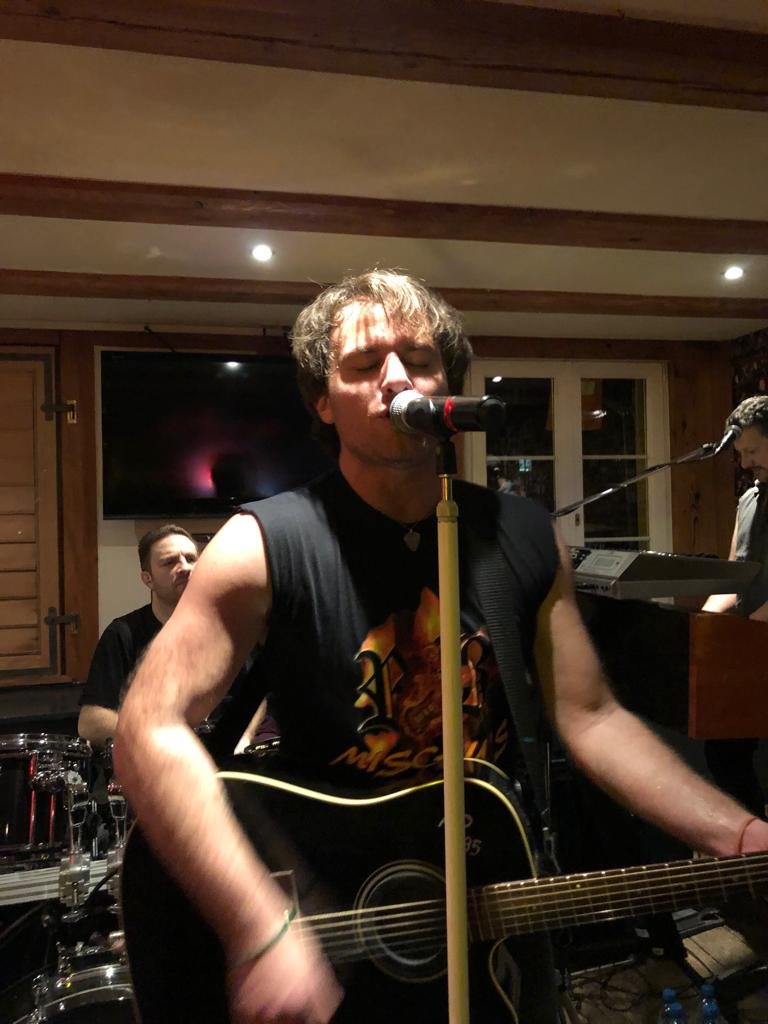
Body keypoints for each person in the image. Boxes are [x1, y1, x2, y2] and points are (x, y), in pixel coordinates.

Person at [115, 271, 768, 1024]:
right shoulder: (260, 545)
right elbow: (148, 730)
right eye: (365, 365)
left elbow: (591, 717)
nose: (397, 379)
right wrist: (258, 924)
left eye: (419, 360)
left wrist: (738, 832)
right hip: (336, 921)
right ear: (323, 401)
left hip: (489, 899)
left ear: (448, 385)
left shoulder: (522, 535)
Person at [701, 395, 768, 817]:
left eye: (753, 451)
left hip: (756, 640)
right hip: (751, 650)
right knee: (723, 752)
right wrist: (702, 625)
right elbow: (734, 577)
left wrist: (748, 630)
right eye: (740, 453)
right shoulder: (748, 501)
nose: (745, 463)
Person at [78, 524, 199, 748]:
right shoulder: (122, 634)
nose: (184, 567)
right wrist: (165, 737)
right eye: (170, 562)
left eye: (191, 559)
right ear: (148, 579)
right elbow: (91, 724)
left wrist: (245, 736)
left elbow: (254, 701)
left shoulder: (225, 627)